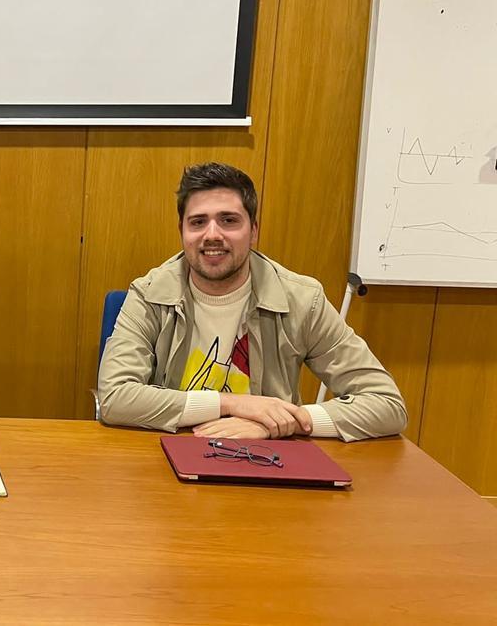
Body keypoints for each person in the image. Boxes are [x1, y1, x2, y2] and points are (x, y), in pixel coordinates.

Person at [97, 162, 406, 442]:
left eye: (229, 220)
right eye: (198, 222)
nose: (212, 234)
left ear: (253, 231)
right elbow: (116, 397)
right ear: (182, 232)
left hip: (266, 461)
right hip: (171, 458)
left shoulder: (301, 299)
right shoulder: (149, 293)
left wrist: (280, 423)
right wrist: (231, 404)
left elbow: (386, 404)